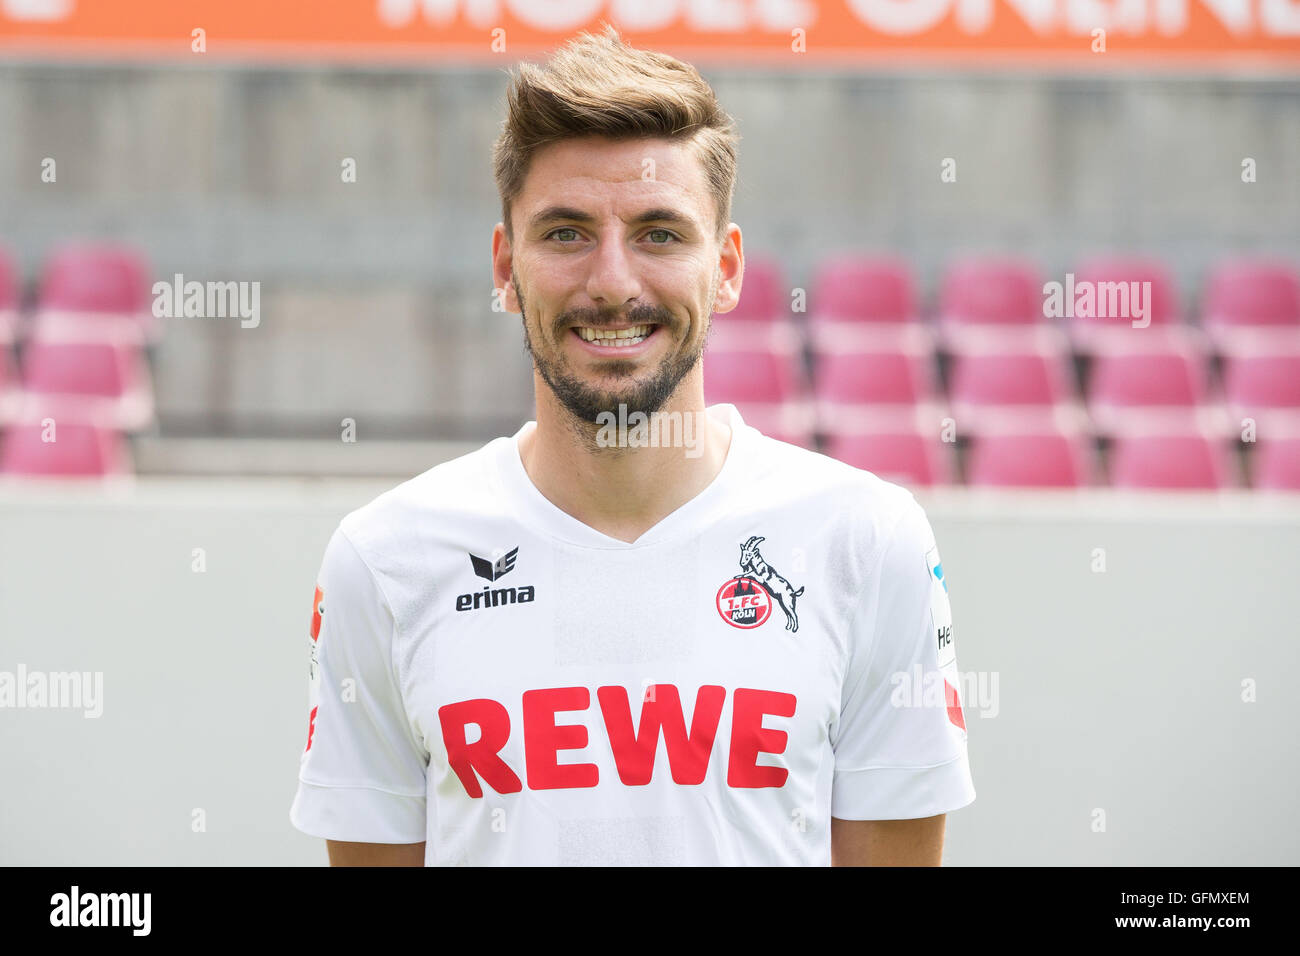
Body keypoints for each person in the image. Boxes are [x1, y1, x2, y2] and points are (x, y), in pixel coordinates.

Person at [289, 24, 974, 866]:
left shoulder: (868, 543)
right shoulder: (385, 560)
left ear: (725, 267)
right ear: (506, 268)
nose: (612, 283)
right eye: (566, 233)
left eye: (659, 233)